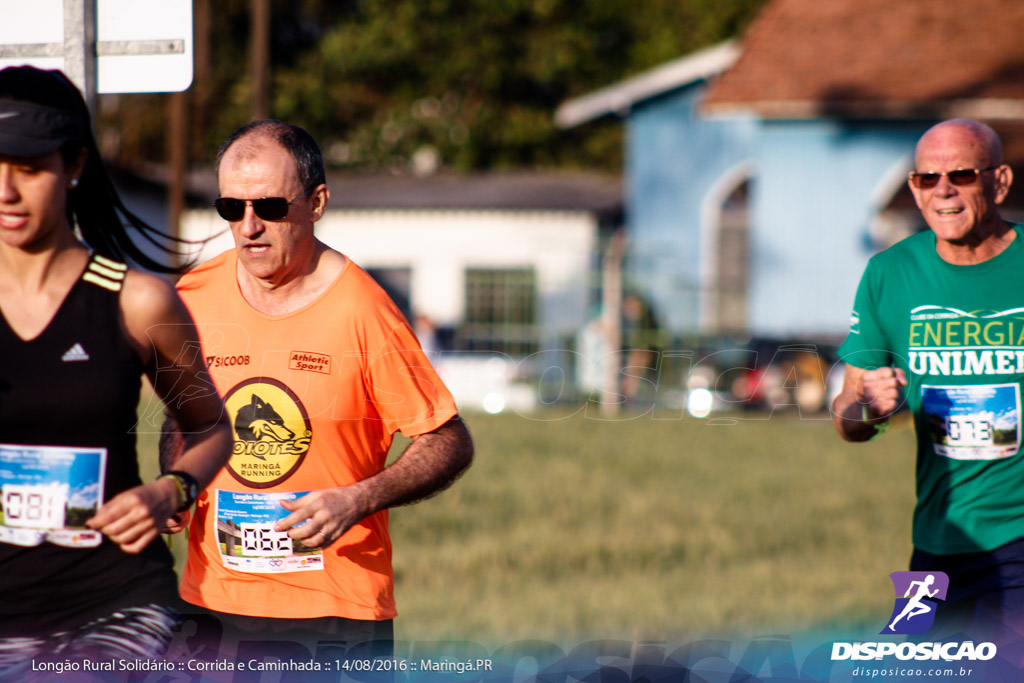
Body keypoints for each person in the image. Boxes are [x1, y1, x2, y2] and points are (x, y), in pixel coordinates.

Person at [162, 119, 473, 651]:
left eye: (271, 207)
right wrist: (175, 482)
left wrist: (357, 500)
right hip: (210, 603)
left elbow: (448, 440)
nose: (249, 226)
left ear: (317, 202)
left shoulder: (363, 309)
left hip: (333, 613)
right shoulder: (193, 295)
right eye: (231, 209)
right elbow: (183, 412)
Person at [0, 66, 231, 672]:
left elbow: (212, 429)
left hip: (112, 602)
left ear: (73, 166)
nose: (6, 191)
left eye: (28, 168)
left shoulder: (138, 302)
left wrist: (169, 490)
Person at [833, 118, 1024, 640]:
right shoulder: (889, 273)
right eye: (925, 178)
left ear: (998, 182)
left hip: (1019, 538)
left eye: (961, 175)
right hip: (939, 540)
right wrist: (867, 407)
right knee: (908, 668)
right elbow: (848, 416)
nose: (943, 190)